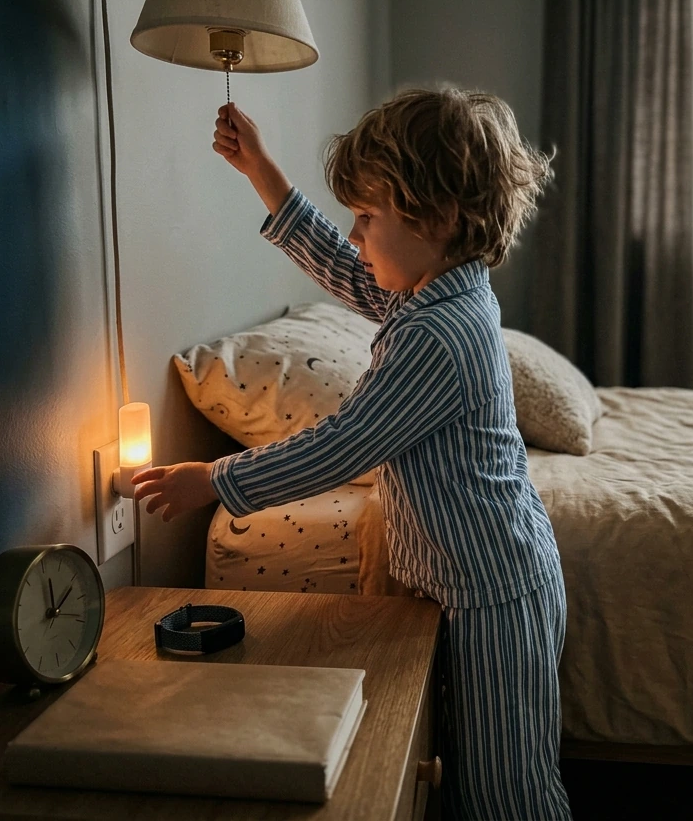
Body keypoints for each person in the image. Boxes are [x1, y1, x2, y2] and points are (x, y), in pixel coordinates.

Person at [132, 87, 572, 821]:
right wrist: (262, 173)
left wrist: (211, 480)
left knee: (507, 796)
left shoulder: (436, 333)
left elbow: (341, 446)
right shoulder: (442, 289)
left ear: (438, 219)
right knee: (471, 781)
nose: (356, 233)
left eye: (369, 216)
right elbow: (348, 269)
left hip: (496, 596)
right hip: (482, 583)